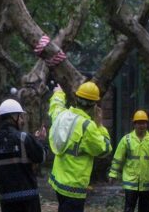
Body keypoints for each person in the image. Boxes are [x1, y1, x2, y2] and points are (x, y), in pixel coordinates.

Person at [48, 82, 112, 212]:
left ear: (76, 99)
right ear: (94, 105)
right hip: (74, 187)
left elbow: (56, 106)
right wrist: (99, 125)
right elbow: (105, 148)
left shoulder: (62, 115)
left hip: (58, 182)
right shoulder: (88, 127)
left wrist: (59, 92)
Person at [0, 98, 48, 212]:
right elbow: (41, 157)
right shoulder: (24, 137)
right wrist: (41, 141)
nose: (22, 120)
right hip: (28, 198)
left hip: (6, 198)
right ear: (13, 117)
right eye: (20, 116)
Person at [108, 110, 149, 212]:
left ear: (147, 124)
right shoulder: (126, 140)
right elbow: (118, 159)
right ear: (134, 124)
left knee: (145, 208)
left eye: (144, 123)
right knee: (129, 208)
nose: (142, 125)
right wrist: (112, 174)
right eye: (139, 123)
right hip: (130, 182)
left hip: (146, 182)